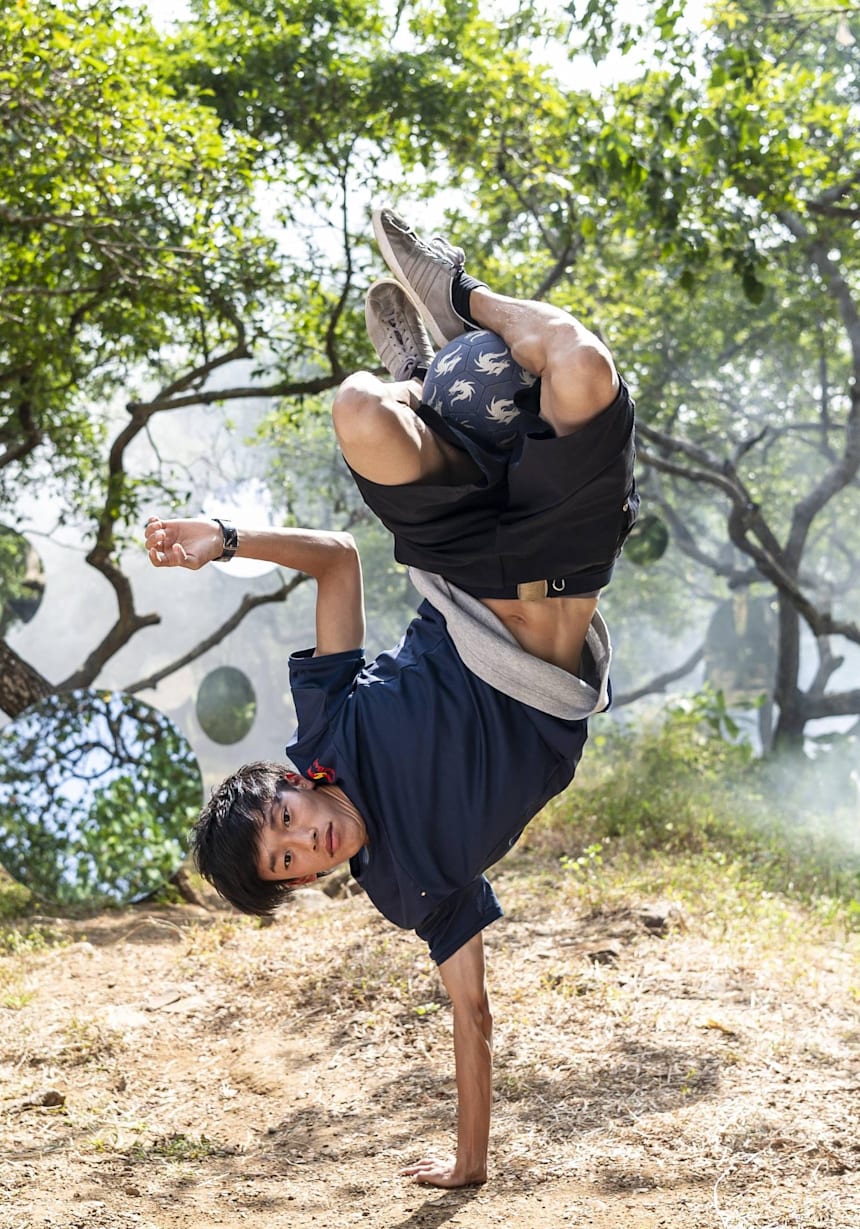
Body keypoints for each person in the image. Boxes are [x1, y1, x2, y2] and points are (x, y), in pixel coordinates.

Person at [144, 207, 638, 1189]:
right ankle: (457, 331)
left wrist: (227, 537)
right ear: (298, 885)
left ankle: (435, 340)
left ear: (291, 783)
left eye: (286, 818)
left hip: (456, 573)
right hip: (550, 585)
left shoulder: (325, 729)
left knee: (357, 410)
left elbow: (334, 561)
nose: (304, 841)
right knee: (581, 368)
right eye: (287, 862)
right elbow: (471, 1012)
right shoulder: (412, 886)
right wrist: (466, 1164)